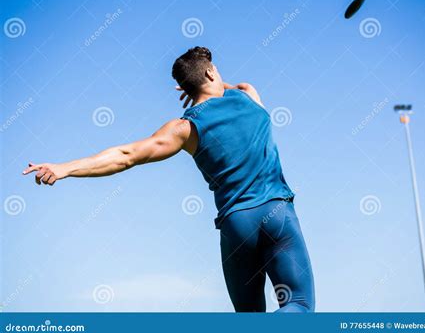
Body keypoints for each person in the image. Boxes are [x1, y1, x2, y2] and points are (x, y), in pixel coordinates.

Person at [23, 47, 315, 312]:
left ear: (187, 86)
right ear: (211, 72)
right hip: (278, 213)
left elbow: (125, 155)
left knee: (248, 319)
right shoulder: (249, 99)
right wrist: (203, 82)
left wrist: (64, 168)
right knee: (299, 306)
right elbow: (240, 85)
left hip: (236, 225)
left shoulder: (185, 128)